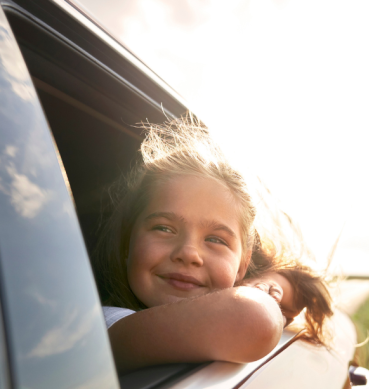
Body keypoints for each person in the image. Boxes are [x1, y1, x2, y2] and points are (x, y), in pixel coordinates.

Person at [94, 117, 332, 374]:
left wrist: (265, 283)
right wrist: (250, 292)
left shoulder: (236, 288)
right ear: (127, 245)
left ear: (243, 264)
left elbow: (305, 285)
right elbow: (255, 319)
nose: (188, 253)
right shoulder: (105, 326)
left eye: (215, 240)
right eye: (164, 228)